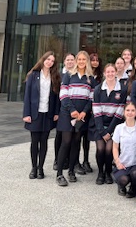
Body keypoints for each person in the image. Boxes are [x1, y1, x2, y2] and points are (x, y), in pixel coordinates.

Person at [55, 51, 95, 186]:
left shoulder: (90, 78)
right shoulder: (68, 75)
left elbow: (91, 98)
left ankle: (71, 171)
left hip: (82, 116)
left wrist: (84, 112)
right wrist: (72, 110)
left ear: (87, 61)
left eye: (84, 59)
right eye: (79, 59)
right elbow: (63, 95)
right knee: (66, 142)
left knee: (76, 143)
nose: (81, 61)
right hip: (67, 114)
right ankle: (59, 174)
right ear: (76, 60)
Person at [22, 51, 61, 180]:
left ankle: (40, 168)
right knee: (34, 142)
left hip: (47, 113)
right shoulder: (33, 75)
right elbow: (27, 96)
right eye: (48, 59)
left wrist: (56, 112)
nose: (50, 62)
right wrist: (26, 113)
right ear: (43, 60)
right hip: (35, 113)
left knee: (44, 142)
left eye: (52, 61)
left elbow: (57, 97)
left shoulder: (55, 77)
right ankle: (33, 168)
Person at [92, 63, 128, 185]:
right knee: (100, 148)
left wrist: (109, 131)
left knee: (109, 150)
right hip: (100, 125)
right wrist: (102, 131)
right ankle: (100, 173)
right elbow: (96, 112)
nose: (110, 74)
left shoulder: (122, 89)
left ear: (116, 73)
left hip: (114, 125)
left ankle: (108, 172)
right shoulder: (98, 89)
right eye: (108, 72)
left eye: (112, 71)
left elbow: (119, 112)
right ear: (104, 73)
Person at [112, 101, 136, 198]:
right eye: (128, 110)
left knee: (135, 174)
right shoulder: (119, 128)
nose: (130, 113)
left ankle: (133, 187)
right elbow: (115, 147)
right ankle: (121, 186)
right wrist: (117, 162)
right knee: (123, 180)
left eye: (133, 110)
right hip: (124, 163)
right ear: (124, 112)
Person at [79, 52, 102, 174]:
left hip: (95, 111)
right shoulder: (85, 75)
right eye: (92, 60)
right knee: (79, 136)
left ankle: (86, 161)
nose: (95, 62)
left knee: (87, 138)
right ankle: (78, 161)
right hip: (84, 109)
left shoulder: (100, 76)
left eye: (97, 60)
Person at [54, 52, 75, 170]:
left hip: (72, 110)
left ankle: (68, 160)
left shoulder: (76, 74)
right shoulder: (59, 75)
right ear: (64, 61)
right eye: (68, 60)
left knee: (71, 137)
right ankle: (57, 160)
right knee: (59, 136)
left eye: (72, 60)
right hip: (61, 109)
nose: (70, 62)